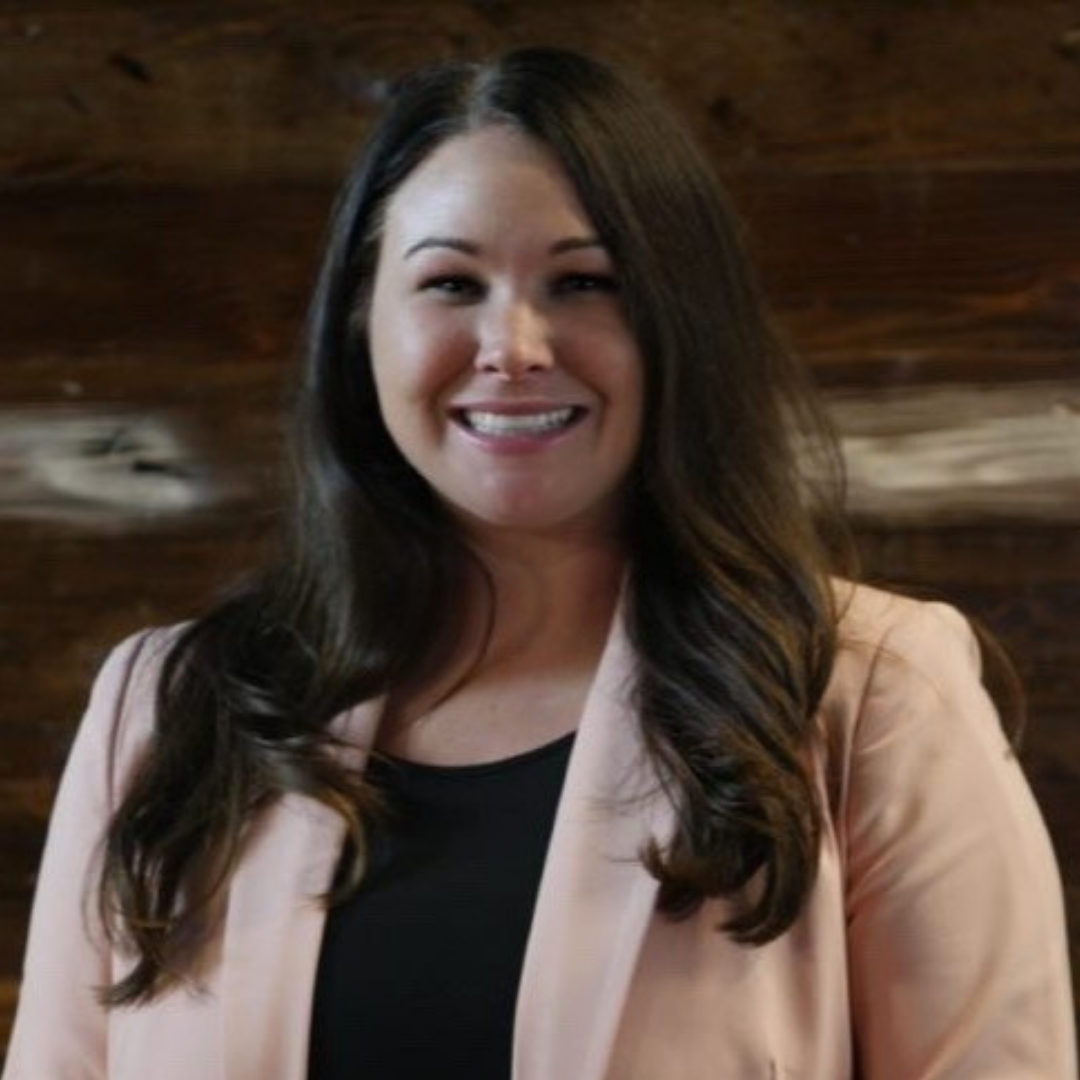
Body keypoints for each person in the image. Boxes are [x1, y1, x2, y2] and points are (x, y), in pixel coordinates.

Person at [2, 45, 1075, 1080]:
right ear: (358, 330)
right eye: (452, 284)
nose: (514, 345)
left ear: (678, 327)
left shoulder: (868, 696)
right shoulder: (171, 707)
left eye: (584, 282)